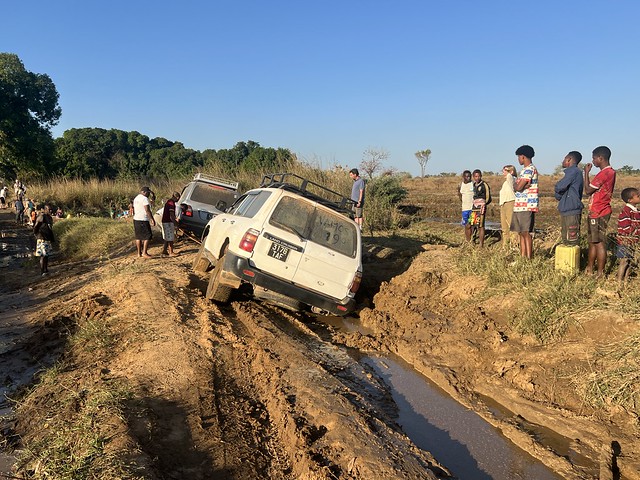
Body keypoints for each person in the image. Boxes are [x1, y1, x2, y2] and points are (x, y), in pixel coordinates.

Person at [584, 146, 616, 277]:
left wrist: (586, 173)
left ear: (600, 158)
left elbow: (588, 191)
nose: (593, 160)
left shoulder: (604, 173)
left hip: (599, 211)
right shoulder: (611, 172)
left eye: (594, 158)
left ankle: (600, 273)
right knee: (592, 241)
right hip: (596, 211)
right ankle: (590, 269)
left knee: (599, 243)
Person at [511, 145, 539, 259]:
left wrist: (516, 184)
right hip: (520, 205)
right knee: (521, 233)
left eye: (519, 157)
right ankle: (523, 257)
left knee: (526, 233)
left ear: (523, 157)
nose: (518, 159)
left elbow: (518, 187)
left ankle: (528, 257)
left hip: (526, 205)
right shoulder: (524, 171)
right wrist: (518, 184)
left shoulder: (529, 169)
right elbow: (519, 186)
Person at [554, 151, 584, 246]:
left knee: (571, 239)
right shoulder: (574, 172)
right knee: (567, 237)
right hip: (568, 208)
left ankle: (572, 260)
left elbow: (560, 187)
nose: (562, 161)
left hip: (571, 209)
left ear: (569, 159)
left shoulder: (573, 171)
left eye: (564, 159)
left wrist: (557, 189)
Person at [616, 188, 640, 283]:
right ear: (630, 200)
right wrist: (630, 235)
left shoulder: (635, 211)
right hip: (626, 240)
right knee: (624, 261)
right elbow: (625, 226)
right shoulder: (626, 211)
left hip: (632, 240)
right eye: (637, 196)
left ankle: (625, 281)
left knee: (629, 261)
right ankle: (619, 282)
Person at [469, 169, 491, 247]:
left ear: (481, 176)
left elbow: (488, 197)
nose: (477, 178)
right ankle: (472, 241)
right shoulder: (474, 185)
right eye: (475, 176)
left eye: (478, 176)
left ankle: (481, 244)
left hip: (481, 207)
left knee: (481, 225)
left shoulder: (484, 185)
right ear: (473, 177)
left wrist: (483, 204)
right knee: (472, 224)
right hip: (474, 207)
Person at [133, 186, 156, 258]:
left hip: (136, 219)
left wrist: (153, 195)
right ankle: (144, 252)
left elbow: (151, 202)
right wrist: (152, 219)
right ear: (145, 192)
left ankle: (139, 253)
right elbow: (147, 210)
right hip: (143, 219)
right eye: (148, 193)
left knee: (138, 237)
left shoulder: (136, 198)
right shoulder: (144, 199)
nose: (149, 195)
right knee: (148, 236)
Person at [33, 204, 55, 276]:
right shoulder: (42, 216)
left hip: (47, 238)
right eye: (49, 209)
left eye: (51, 209)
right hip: (42, 238)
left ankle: (46, 269)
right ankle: (42, 271)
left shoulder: (49, 218)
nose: (50, 211)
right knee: (43, 255)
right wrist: (36, 234)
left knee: (47, 255)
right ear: (45, 209)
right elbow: (36, 226)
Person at [499, 165, 517, 247]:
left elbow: (510, 176)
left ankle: (514, 244)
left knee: (511, 225)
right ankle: (505, 246)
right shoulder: (505, 183)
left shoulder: (512, 179)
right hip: (503, 204)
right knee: (504, 227)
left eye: (505, 170)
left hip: (510, 202)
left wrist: (510, 172)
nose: (503, 172)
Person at [161, 191, 180, 256]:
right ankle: (171, 252)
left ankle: (164, 251)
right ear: (177, 197)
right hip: (168, 221)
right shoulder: (171, 204)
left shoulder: (169, 202)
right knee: (170, 237)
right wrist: (176, 224)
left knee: (167, 237)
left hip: (165, 221)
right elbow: (171, 215)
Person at [458, 170, 474, 242]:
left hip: (472, 209)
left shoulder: (473, 184)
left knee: (471, 224)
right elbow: (459, 195)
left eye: (469, 176)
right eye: (466, 176)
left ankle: (472, 239)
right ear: (463, 177)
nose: (468, 178)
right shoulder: (460, 185)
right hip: (465, 209)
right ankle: (468, 240)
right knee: (466, 225)